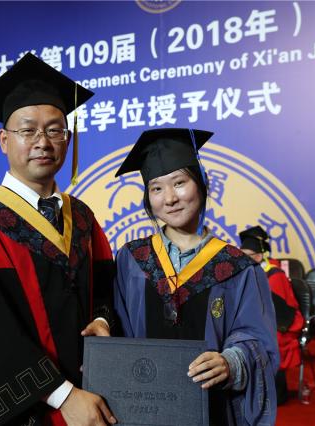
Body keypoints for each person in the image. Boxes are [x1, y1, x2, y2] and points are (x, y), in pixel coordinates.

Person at [0, 53, 117, 426]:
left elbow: (106, 288)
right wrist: (63, 395)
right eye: (28, 130)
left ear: (68, 139)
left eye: (55, 130)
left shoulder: (81, 218)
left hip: (90, 399)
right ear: (4, 140)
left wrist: (102, 319)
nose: (42, 142)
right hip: (28, 412)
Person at [113, 128, 279, 425]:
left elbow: (258, 339)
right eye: (156, 188)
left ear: (201, 183)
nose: (170, 198)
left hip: (210, 409)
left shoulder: (237, 267)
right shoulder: (132, 259)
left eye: (179, 183)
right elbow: (118, 325)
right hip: (141, 409)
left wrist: (232, 362)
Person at [239, 226, 303, 405]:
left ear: (259, 256)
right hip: (254, 320)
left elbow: (280, 310)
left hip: (280, 323)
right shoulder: (246, 271)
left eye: (248, 255)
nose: (243, 259)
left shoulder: (275, 275)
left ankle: (275, 393)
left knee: (267, 341)